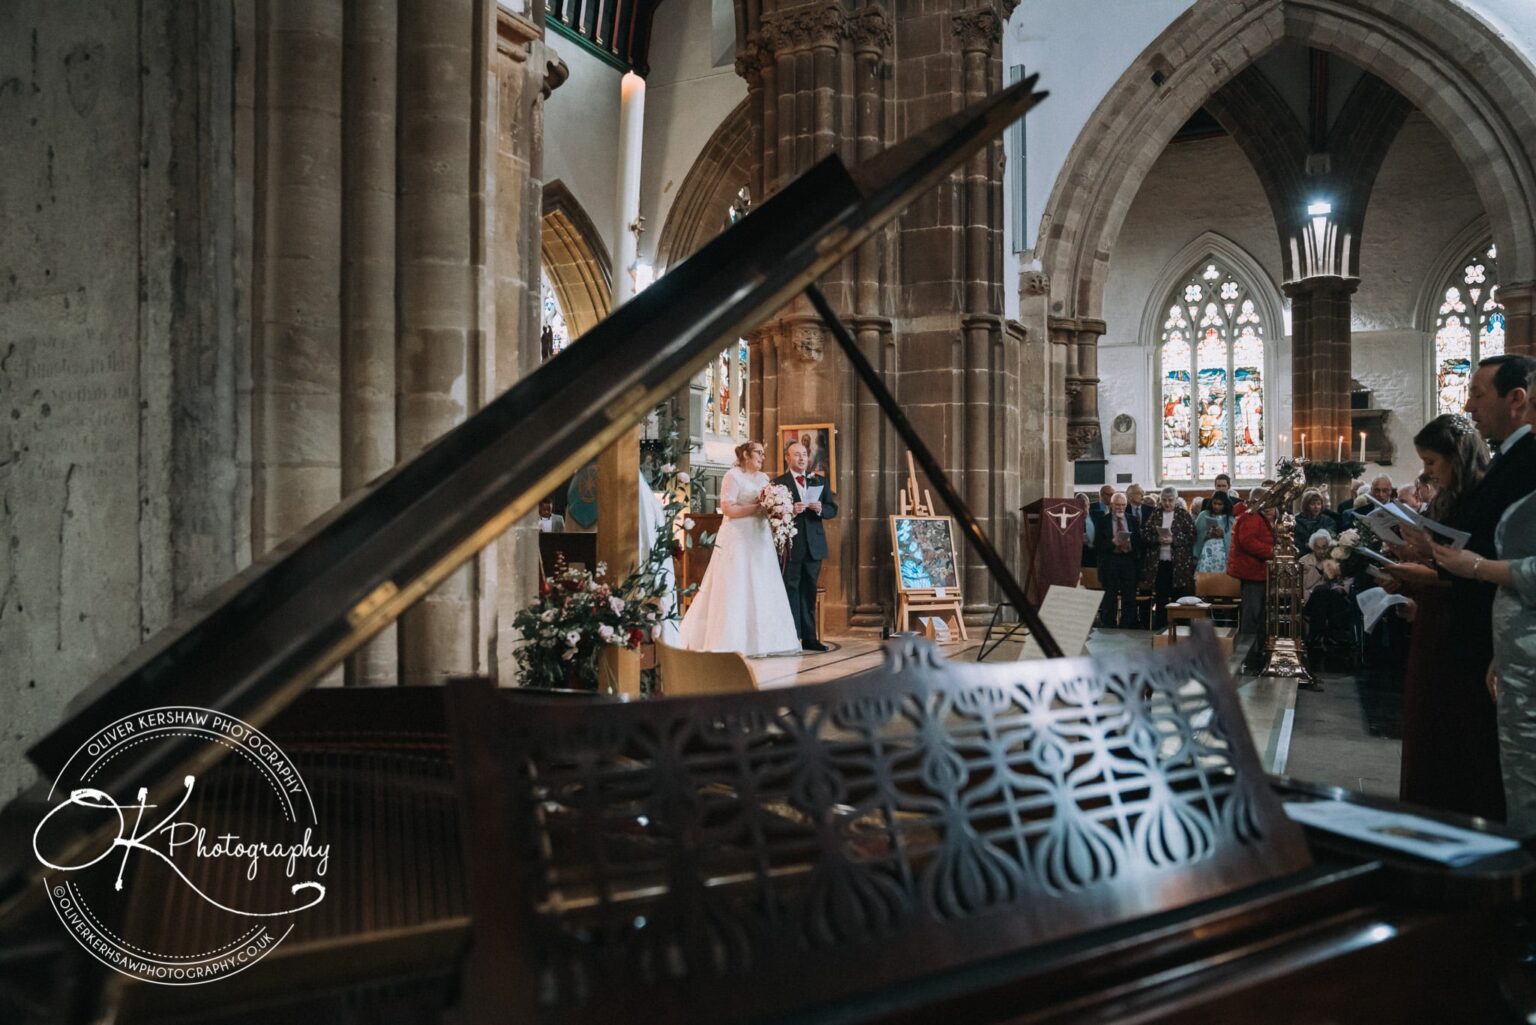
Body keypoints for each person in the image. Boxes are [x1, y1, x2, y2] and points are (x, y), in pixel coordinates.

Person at [1428, 359, 1536, 827]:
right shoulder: (1510, 461)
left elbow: (1501, 547)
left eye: (1477, 393)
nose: (1468, 405)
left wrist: (1472, 565)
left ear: (1518, 400)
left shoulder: (1524, 461)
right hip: (1507, 644)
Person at [1382, 413, 1500, 820]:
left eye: (1432, 462)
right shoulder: (1448, 498)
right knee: (1427, 723)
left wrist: (1428, 568)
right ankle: (1424, 811)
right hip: (1434, 620)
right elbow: (1444, 558)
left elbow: (1479, 568)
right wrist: (1414, 558)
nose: (1427, 471)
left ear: (1459, 455)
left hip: (1463, 624)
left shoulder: (1488, 497)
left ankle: (1456, 816)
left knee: (1458, 729)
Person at [678, 440, 801, 656]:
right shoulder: (732, 476)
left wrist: (778, 509)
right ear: (746, 454)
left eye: (763, 454)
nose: (762, 457)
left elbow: (768, 505)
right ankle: (731, 641)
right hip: (738, 536)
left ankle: (766, 642)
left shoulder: (764, 478)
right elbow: (728, 508)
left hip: (759, 537)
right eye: (758, 453)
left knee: (762, 585)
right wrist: (759, 507)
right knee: (737, 585)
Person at [774, 441, 839, 652]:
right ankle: (793, 637)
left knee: (809, 592)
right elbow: (772, 514)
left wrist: (820, 509)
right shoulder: (779, 483)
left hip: (814, 545)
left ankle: (810, 638)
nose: (802, 458)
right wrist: (791, 510)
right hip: (792, 546)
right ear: (787, 458)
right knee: (791, 590)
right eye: (796, 455)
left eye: (804, 454)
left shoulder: (818, 480)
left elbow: (832, 509)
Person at [1141, 486, 1196, 631]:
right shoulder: (1155, 514)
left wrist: (1174, 539)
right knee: (1161, 596)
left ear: (1176, 500)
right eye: (1164, 500)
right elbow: (1145, 534)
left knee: (1179, 595)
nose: (1167, 503)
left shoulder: (1183, 514)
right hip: (1159, 562)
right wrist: (1157, 539)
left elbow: (1191, 535)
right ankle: (1161, 627)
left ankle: (1181, 627)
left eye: (1170, 500)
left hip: (1179, 563)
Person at [1228, 487, 1276, 643]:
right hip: (1252, 570)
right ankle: (1247, 650)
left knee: (1257, 611)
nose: (1270, 504)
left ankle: (1256, 646)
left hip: (1256, 570)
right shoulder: (1251, 516)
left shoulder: (1254, 515)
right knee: (1252, 612)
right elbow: (1248, 542)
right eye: (1267, 500)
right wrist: (1271, 552)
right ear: (1259, 500)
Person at [1092, 492, 1141, 628]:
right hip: (1110, 561)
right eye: (1118, 505)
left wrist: (1130, 543)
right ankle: (1108, 625)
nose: (1120, 508)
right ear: (1112, 505)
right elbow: (1098, 544)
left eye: (1123, 505)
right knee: (1109, 596)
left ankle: (1128, 625)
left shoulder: (1132, 520)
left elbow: (1139, 543)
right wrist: (1113, 542)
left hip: (1128, 562)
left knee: (1129, 596)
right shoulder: (1103, 521)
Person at [1193, 490, 1234, 574]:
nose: (1216, 506)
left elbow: (1233, 537)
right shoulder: (1203, 515)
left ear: (1225, 505)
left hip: (1222, 554)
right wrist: (1207, 534)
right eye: (1214, 503)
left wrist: (1223, 534)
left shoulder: (1229, 518)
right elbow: (1195, 533)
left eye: (1220, 504)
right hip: (1206, 552)